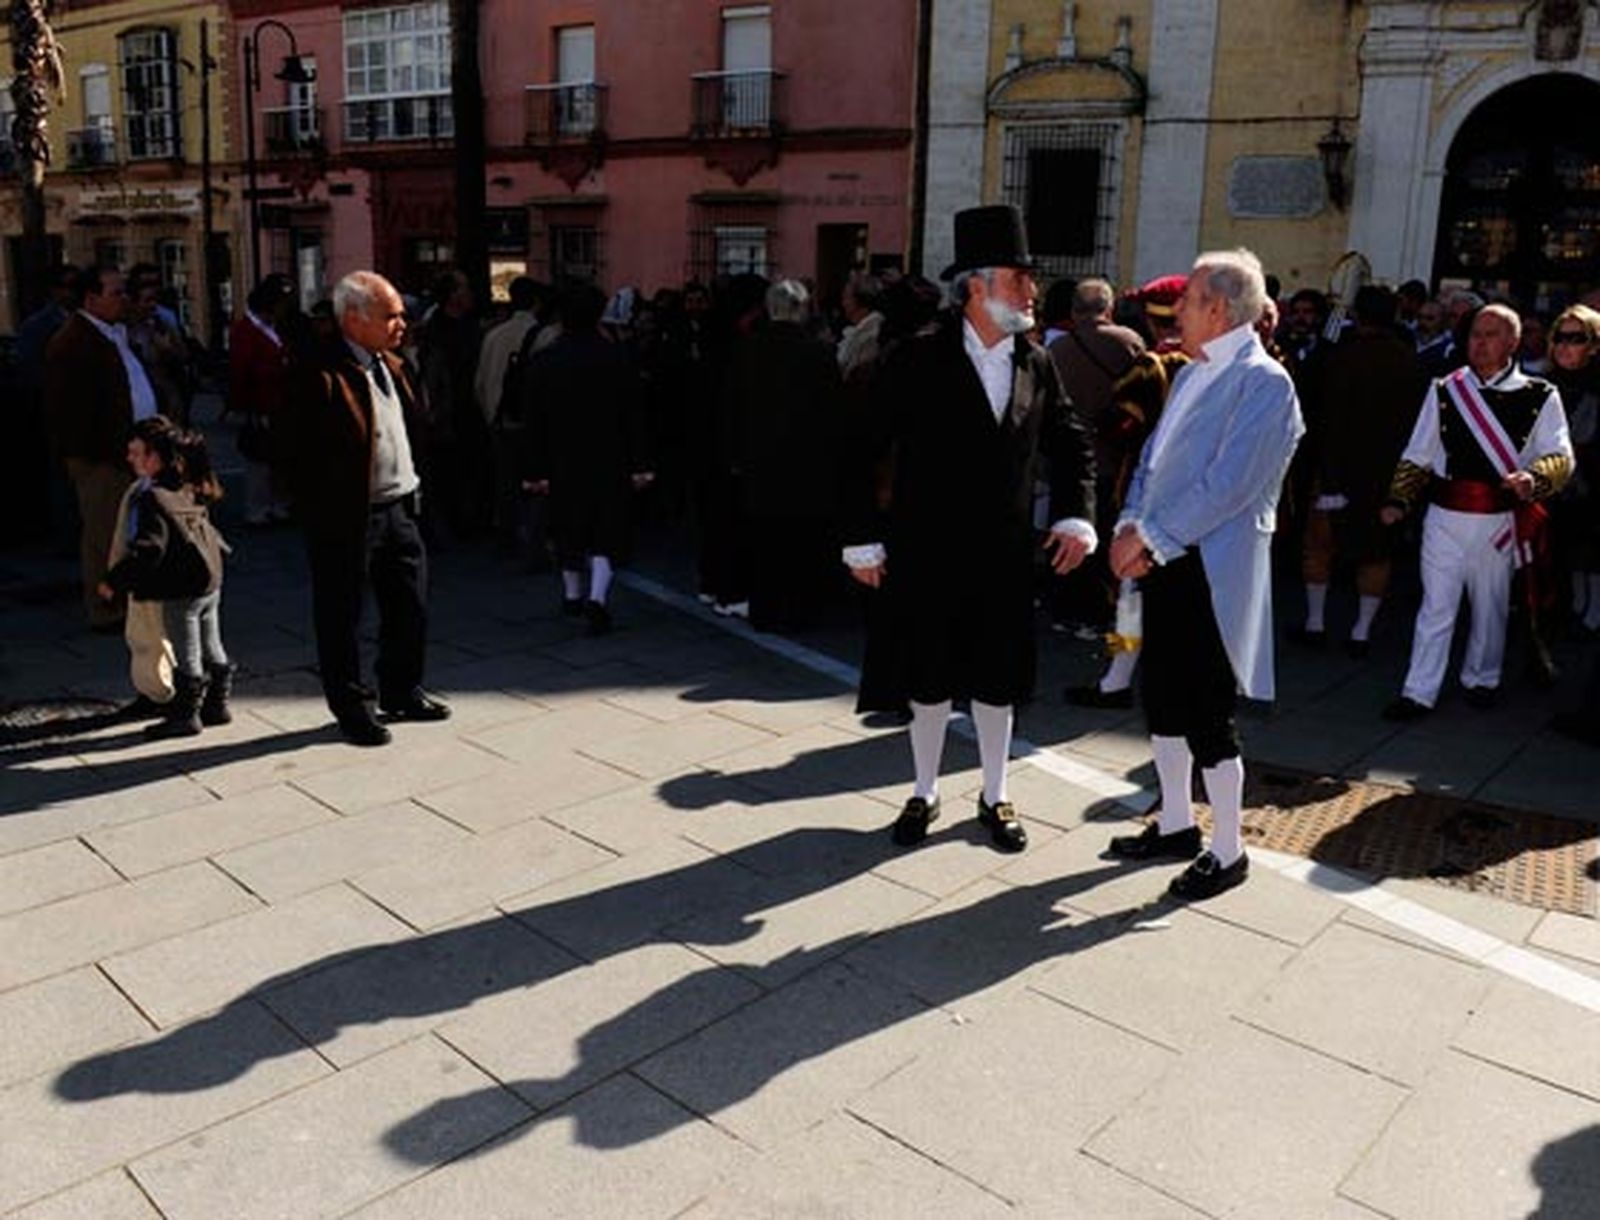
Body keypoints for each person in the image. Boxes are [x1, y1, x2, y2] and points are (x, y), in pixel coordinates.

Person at [843, 204, 1097, 853]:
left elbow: (1072, 444)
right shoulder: (916, 358)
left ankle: (994, 794)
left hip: (1005, 555)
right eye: (1020, 278)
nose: (1034, 291)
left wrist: (1075, 515)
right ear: (978, 287)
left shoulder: (1035, 362)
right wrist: (860, 536)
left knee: (997, 679)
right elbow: (857, 445)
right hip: (926, 551)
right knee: (928, 683)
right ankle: (924, 792)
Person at [1105, 249, 1304, 901]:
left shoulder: (1265, 384)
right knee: (1162, 695)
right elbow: (1154, 465)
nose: (1176, 310)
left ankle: (1229, 849)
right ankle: (1176, 823)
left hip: (1213, 571)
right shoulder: (1191, 374)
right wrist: (1128, 527)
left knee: (1208, 709)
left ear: (1218, 309)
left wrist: (1150, 539)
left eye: (1187, 300)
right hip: (1164, 560)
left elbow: (1231, 486)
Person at [1381, 304, 1575, 719]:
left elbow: (1560, 455)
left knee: (1490, 606)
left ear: (1513, 342)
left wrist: (1533, 479)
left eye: (1490, 334)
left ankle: (1482, 678)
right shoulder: (1445, 390)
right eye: (1474, 334)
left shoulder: (1541, 395)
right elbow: (1419, 453)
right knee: (1436, 606)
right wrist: (1398, 500)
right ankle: (1419, 691)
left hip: (1499, 520)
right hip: (1444, 515)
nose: (1479, 343)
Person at [285, 270, 450, 747]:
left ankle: (401, 689)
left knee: (409, 604)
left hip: (400, 505)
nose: (402, 323)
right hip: (348, 515)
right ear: (354, 320)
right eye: (391, 316)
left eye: (402, 315)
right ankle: (352, 703)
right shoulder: (318, 372)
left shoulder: (391, 364)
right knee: (343, 613)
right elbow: (295, 451)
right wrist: (321, 506)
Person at [1065, 274, 1190, 709]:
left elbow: (1119, 424)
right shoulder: (1212, 362)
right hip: (1197, 495)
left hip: (1149, 489)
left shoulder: (1151, 366)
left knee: (1130, 591)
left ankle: (1117, 680)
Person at [1292, 285, 1426, 657]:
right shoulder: (1410, 361)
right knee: (1376, 552)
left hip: (1335, 467)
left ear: (1357, 316)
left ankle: (1316, 624)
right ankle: (1361, 632)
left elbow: (1316, 408)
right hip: (1383, 473)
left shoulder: (1338, 356)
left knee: (1318, 546)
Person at [520, 282, 654, 636]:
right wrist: (641, 463)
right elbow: (634, 416)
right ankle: (597, 598)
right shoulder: (618, 359)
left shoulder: (543, 362)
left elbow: (532, 421)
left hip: (561, 458)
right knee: (606, 530)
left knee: (567, 525)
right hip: (610, 456)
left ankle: (571, 593)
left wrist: (533, 468)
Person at [98, 417, 230, 739]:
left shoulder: (153, 497)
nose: (129, 458)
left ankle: (186, 715)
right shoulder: (188, 484)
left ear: (155, 457)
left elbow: (148, 549)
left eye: (136, 452)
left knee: (187, 653)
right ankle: (217, 704)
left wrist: (114, 580)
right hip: (209, 581)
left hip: (181, 589)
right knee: (212, 644)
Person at [45, 265, 160, 631]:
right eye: (116, 293)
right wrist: (116, 451)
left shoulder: (113, 333)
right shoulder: (74, 341)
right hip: (102, 457)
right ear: (91, 299)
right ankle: (105, 608)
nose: (124, 298)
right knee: (104, 535)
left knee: (125, 532)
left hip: (130, 452)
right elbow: (73, 411)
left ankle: (127, 601)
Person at [724, 279, 843, 631]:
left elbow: (731, 406)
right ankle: (800, 610)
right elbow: (833, 413)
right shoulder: (819, 354)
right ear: (802, 310)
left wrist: (733, 454)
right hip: (806, 462)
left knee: (763, 540)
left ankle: (765, 609)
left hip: (758, 460)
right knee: (802, 541)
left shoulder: (746, 349)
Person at [1545, 304, 1600, 634]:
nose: (1565, 345)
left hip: (1592, 483)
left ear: (1594, 344)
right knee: (1565, 550)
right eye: (1560, 337)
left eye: (1576, 338)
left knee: (1591, 548)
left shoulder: (1596, 388)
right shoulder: (1545, 385)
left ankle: (1593, 610)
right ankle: (1573, 606)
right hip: (1554, 487)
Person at [229, 274, 298, 526]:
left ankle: (279, 503)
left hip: (281, 401)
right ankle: (257, 508)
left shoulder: (275, 328)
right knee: (259, 459)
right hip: (260, 401)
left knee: (280, 456)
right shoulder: (245, 330)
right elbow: (242, 369)